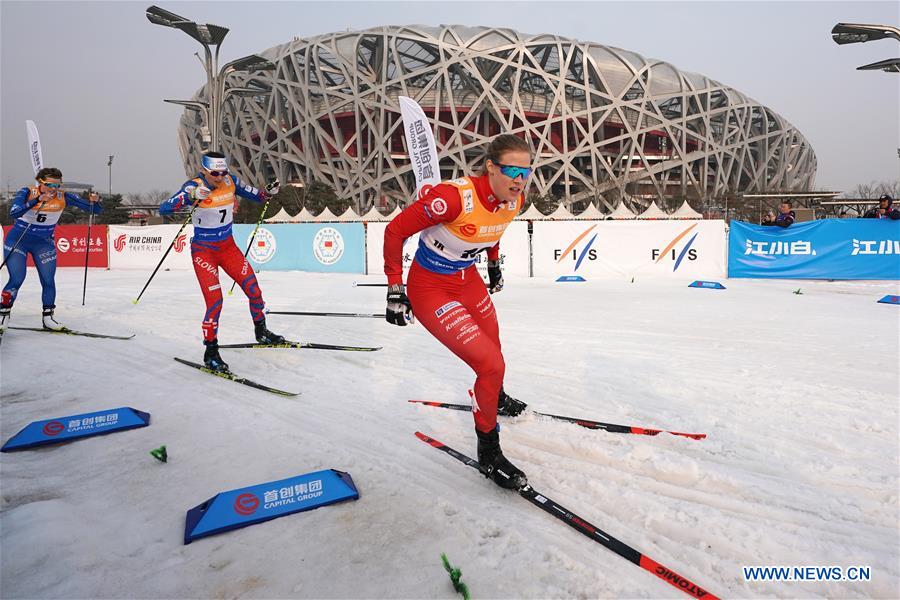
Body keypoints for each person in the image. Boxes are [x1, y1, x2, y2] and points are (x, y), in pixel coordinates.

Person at [383, 134, 531, 490]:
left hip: (468, 280)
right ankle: (489, 451)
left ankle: (494, 398)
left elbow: (494, 230)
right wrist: (395, 288)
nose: (520, 180)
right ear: (490, 167)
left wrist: (493, 264)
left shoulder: (514, 200)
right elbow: (395, 231)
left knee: (495, 347)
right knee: (491, 364)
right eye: (512, 171)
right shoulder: (451, 199)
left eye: (526, 172)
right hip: (431, 287)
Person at [159, 151, 282, 372]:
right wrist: (191, 196)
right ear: (204, 170)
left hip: (228, 248)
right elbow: (164, 208)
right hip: (204, 252)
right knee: (215, 302)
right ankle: (211, 352)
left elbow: (258, 196)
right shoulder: (193, 186)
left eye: (223, 172)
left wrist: (268, 192)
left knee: (254, 290)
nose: (220, 177)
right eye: (215, 173)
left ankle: (261, 331)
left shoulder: (230, 181)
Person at [1, 168, 102, 330]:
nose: (53, 189)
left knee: (48, 280)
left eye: (57, 185)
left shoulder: (63, 196)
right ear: (40, 182)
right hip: (18, 241)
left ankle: (48, 318)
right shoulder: (27, 192)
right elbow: (14, 213)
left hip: (43, 244)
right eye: (49, 185)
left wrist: (95, 201)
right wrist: (37, 200)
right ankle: (3, 315)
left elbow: (95, 210)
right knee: (17, 278)